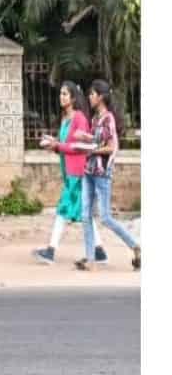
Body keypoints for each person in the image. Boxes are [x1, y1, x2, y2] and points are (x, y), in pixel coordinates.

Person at [33, 82, 103, 264]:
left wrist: (57, 145)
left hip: (78, 172)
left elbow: (79, 148)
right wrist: (53, 143)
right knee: (84, 213)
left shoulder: (79, 118)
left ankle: (50, 251)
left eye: (65, 94)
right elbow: (65, 144)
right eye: (60, 94)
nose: (61, 97)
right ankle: (100, 250)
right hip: (69, 171)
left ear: (73, 98)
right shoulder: (65, 119)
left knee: (63, 210)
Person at [75, 80, 141, 272]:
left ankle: (135, 246)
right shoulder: (95, 119)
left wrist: (92, 150)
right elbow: (96, 140)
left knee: (104, 217)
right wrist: (85, 138)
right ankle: (90, 259)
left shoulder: (108, 119)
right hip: (89, 171)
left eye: (92, 94)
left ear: (101, 97)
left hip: (102, 173)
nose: (89, 97)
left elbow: (111, 147)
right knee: (85, 215)